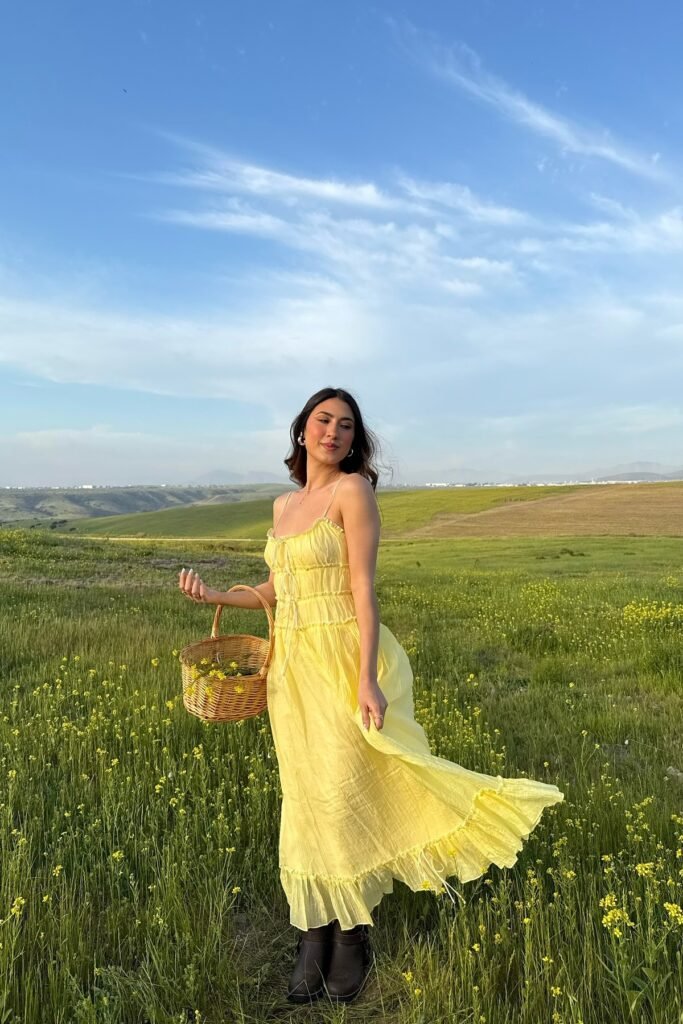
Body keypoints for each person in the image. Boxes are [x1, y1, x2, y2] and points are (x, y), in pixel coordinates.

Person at [178, 386, 564, 1006]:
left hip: (340, 657)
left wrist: (366, 677)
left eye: (346, 425)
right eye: (323, 420)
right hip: (290, 668)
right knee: (304, 796)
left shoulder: (351, 493)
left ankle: (352, 935)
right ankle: (314, 934)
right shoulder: (283, 506)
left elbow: (362, 590)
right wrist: (217, 598)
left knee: (342, 787)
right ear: (302, 431)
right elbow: (278, 589)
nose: (333, 432)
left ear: (354, 441)